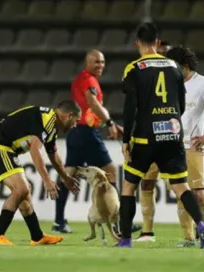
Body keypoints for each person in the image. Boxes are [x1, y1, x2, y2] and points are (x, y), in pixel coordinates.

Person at [117, 22, 204, 248]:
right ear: (157, 42)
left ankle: (126, 240)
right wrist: (171, 124)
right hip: (173, 133)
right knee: (181, 186)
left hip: (145, 136)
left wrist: (125, 140)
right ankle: (202, 226)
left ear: (137, 43)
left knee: (130, 186)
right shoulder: (173, 66)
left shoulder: (134, 68)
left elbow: (130, 106)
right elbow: (180, 103)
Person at [135, 47, 204, 248]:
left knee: (197, 193)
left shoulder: (203, 84)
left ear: (185, 66)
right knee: (180, 192)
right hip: (168, 143)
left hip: (192, 146)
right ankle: (189, 238)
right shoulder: (169, 83)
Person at [52, 49, 141, 235]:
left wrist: (112, 125)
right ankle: (120, 221)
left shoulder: (85, 79)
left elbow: (92, 110)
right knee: (110, 172)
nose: (100, 65)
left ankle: (59, 221)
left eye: (102, 62)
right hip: (86, 133)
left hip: (79, 132)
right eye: (96, 62)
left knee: (69, 174)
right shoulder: (88, 80)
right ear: (87, 63)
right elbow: (93, 104)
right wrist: (110, 123)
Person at [0, 101, 81, 246]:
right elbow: (36, 150)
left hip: (7, 150)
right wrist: (47, 180)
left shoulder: (52, 126)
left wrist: (65, 177)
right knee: (21, 189)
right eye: (76, 121)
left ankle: (37, 236)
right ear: (69, 115)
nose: (75, 125)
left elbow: (53, 155)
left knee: (24, 193)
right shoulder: (48, 121)